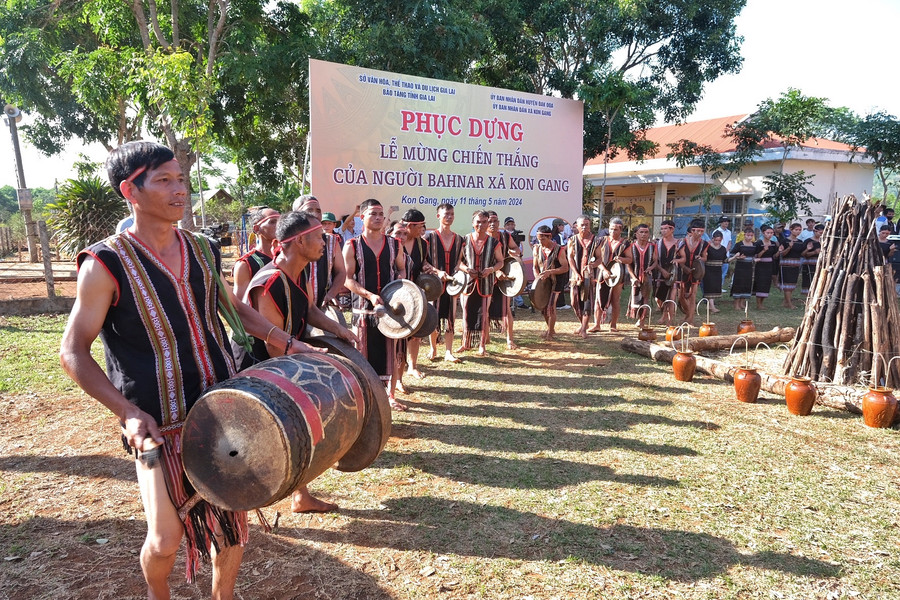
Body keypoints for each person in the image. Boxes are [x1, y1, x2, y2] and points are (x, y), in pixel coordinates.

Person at [59, 141, 310, 599]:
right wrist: (128, 414)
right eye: (164, 180)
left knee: (230, 525)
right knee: (165, 539)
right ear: (129, 191)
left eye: (181, 179)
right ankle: (159, 594)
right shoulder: (104, 264)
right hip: (155, 425)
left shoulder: (203, 249)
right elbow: (73, 351)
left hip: (220, 412)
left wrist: (293, 345)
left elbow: (236, 310)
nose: (180, 191)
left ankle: (224, 595)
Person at [242, 211, 359, 514]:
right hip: (259, 367)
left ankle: (300, 495)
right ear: (300, 240)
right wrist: (312, 359)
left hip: (288, 357)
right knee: (289, 430)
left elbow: (309, 311)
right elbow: (273, 347)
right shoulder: (268, 283)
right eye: (319, 237)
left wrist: (339, 330)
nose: (324, 242)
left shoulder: (300, 271)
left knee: (300, 427)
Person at [343, 199, 408, 410]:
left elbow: (401, 270)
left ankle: (390, 396)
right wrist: (369, 295)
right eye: (373, 214)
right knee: (362, 353)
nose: (378, 217)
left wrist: (397, 290)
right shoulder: (351, 245)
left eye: (381, 214)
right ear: (362, 217)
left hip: (390, 310)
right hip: (363, 310)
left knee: (390, 351)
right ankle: (365, 396)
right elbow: (347, 279)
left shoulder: (395, 244)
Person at [458, 210, 505, 355]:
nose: (481, 225)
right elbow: (458, 262)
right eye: (478, 222)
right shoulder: (464, 240)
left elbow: (500, 262)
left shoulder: (494, 242)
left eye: (484, 222)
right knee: (466, 312)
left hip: (486, 283)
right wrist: (466, 269)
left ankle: (482, 345)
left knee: (484, 314)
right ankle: (466, 343)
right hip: (468, 282)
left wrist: (491, 269)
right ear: (473, 223)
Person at [424, 203, 465, 363]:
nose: (449, 217)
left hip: (452, 285)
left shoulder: (459, 239)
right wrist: (437, 272)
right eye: (446, 214)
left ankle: (448, 351)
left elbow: (458, 262)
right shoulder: (429, 238)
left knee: (451, 317)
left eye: (452, 214)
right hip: (433, 285)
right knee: (433, 316)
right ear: (438, 216)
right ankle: (433, 348)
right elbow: (424, 263)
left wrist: (460, 273)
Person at [293, 196, 348, 309]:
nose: (315, 214)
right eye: (310, 210)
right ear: (296, 214)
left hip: (323, 307)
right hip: (295, 308)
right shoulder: (289, 242)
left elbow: (341, 272)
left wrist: (331, 294)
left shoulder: (331, 241)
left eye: (318, 211)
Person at [399, 209, 435, 376]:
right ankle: (397, 371)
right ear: (409, 225)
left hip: (416, 291)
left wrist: (428, 267)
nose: (421, 229)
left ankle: (412, 366)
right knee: (399, 334)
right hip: (398, 292)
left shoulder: (423, 244)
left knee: (416, 331)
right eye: (419, 226)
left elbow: (422, 263)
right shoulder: (394, 241)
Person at [591, 217, 631, 332]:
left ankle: (613, 324)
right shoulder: (601, 240)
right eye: (611, 229)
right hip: (602, 273)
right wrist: (604, 270)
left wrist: (622, 259)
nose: (613, 232)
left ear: (621, 230)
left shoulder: (625, 243)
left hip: (617, 274)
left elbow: (630, 259)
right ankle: (596, 324)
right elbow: (595, 258)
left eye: (616, 229)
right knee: (598, 299)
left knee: (615, 299)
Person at [487, 210, 520, 350]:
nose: (492, 224)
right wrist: (494, 271)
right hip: (487, 276)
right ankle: (485, 338)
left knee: (506, 309)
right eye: (489, 221)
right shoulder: (482, 237)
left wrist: (514, 253)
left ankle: (509, 339)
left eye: (495, 221)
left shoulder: (505, 236)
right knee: (485, 307)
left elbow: (516, 249)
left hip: (504, 277)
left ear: (499, 223)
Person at [232, 207, 279, 300]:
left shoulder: (287, 258)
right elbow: (240, 305)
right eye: (273, 222)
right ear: (257, 228)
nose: (279, 225)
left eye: (281, 221)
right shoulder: (245, 264)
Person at [532, 225, 569, 339]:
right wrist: (537, 278)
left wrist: (550, 272)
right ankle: (550, 329)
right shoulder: (537, 249)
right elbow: (535, 267)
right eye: (539, 239)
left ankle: (550, 332)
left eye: (543, 239)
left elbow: (565, 268)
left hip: (556, 281)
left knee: (551, 306)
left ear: (549, 237)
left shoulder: (559, 250)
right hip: (543, 282)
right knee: (543, 308)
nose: (540, 241)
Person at [567, 215, 601, 338]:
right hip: (575, 276)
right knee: (574, 301)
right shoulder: (572, 240)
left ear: (590, 225)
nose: (584, 227)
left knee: (587, 302)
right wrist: (575, 273)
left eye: (586, 224)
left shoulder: (595, 240)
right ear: (577, 226)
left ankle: (583, 329)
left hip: (588, 277)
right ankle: (583, 324)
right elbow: (570, 257)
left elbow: (599, 259)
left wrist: (592, 266)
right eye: (582, 225)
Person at [674, 219, 709, 326]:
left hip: (695, 271)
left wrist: (700, 258)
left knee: (693, 295)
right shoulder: (682, 242)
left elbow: (705, 258)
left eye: (702, 231)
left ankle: (690, 319)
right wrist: (684, 267)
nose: (700, 233)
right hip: (682, 270)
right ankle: (687, 314)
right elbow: (678, 257)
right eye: (698, 231)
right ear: (692, 231)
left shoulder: (704, 244)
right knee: (681, 296)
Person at [625, 223, 658, 327]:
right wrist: (633, 277)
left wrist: (651, 268)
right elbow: (628, 264)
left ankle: (642, 319)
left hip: (647, 276)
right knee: (636, 297)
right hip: (635, 276)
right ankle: (637, 316)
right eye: (641, 232)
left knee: (646, 297)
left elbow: (655, 261)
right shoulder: (631, 246)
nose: (644, 234)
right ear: (636, 234)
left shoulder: (653, 246)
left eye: (646, 232)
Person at [654, 219, 679, 325]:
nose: (663, 231)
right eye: (662, 229)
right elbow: (654, 260)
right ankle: (664, 313)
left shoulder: (679, 243)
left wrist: (677, 260)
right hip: (660, 273)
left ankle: (670, 319)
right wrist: (662, 270)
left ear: (672, 229)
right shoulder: (657, 243)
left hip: (674, 274)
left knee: (672, 297)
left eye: (665, 229)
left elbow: (683, 258)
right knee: (658, 298)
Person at [729, 227, 759, 311]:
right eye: (748, 235)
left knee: (747, 284)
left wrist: (755, 259)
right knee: (739, 284)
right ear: (744, 235)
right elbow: (732, 254)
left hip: (749, 267)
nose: (749, 237)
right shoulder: (739, 244)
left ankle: (742, 303)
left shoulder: (754, 245)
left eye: (751, 235)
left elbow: (755, 255)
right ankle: (736, 304)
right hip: (740, 267)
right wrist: (738, 257)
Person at [752, 225, 779, 310]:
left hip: (770, 265)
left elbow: (774, 256)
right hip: (761, 265)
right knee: (760, 283)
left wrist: (780, 251)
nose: (770, 235)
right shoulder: (758, 243)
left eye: (771, 233)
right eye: (768, 233)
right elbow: (756, 256)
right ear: (763, 233)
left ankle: (762, 303)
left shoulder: (773, 244)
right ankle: (758, 304)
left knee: (767, 284)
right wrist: (764, 250)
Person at [778, 222, 805, 308]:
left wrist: (808, 250)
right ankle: (789, 303)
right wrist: (789, 247)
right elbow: (782, 254)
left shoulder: (800, 242)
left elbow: (802, 253)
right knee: (787, 284)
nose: (798, 232)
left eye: (800, 230)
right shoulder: (785, 241)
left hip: (796, 265)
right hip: (786, 265)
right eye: (796, 230)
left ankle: (786, 302)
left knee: (792, 284)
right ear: (791, 230)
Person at [702, 230, 726, 313]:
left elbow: (725, 260)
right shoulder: (708, 247)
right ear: (712, 239)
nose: (717, 242)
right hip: (709, 269)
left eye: (719, 240)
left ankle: (709, 305)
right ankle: (712, 306)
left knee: (715, 287)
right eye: (715, 240)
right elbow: (703, 257)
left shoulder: (723, 249)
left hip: (718, 269)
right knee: (709, 287)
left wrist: (735, 257)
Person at [800, 223, 824, 296]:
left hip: (821, 264)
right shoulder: (808, 241)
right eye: (820, 233)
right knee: (808, 280)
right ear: (815, 231)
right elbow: (803, 254)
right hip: (809, 265)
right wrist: (814, 252)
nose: (821, 234)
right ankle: (808, 296)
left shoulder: (826, 241)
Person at [713, 216, 733, 286]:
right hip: (717, 254)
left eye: (727, 221)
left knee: (724, 271)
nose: (726, 223)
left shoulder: (729, 232)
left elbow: (729, 242)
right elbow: (714, 243)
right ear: (721, 223)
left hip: (726, 254)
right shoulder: (716, 231)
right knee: (717, 271)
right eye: (725, 221)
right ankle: (715, 285)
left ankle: (720, 286)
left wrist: (726, 251)